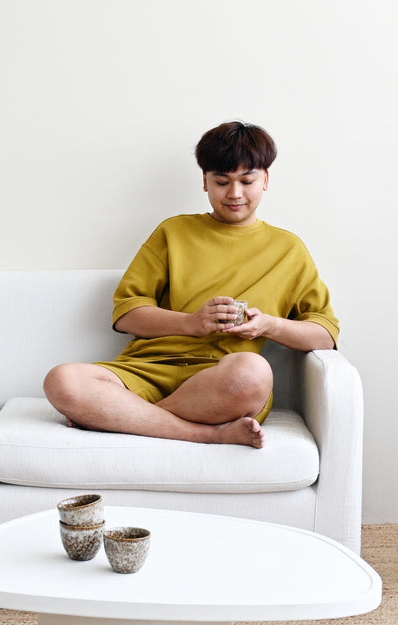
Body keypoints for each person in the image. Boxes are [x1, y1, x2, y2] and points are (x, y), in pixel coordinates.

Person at [43, 122, 339, 449]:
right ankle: (206, 434)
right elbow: (127, 312)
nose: (235, 193)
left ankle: (121, 418)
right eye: (222, 181)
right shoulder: (173, 232)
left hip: (221, 381)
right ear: (204, 181)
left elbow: (324, 334)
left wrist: (266, 325)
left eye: (247, 180)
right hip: (147, 371)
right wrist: (192, 323)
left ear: (265, 179)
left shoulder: (289, 249)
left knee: (254, 372)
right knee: (63, 380)